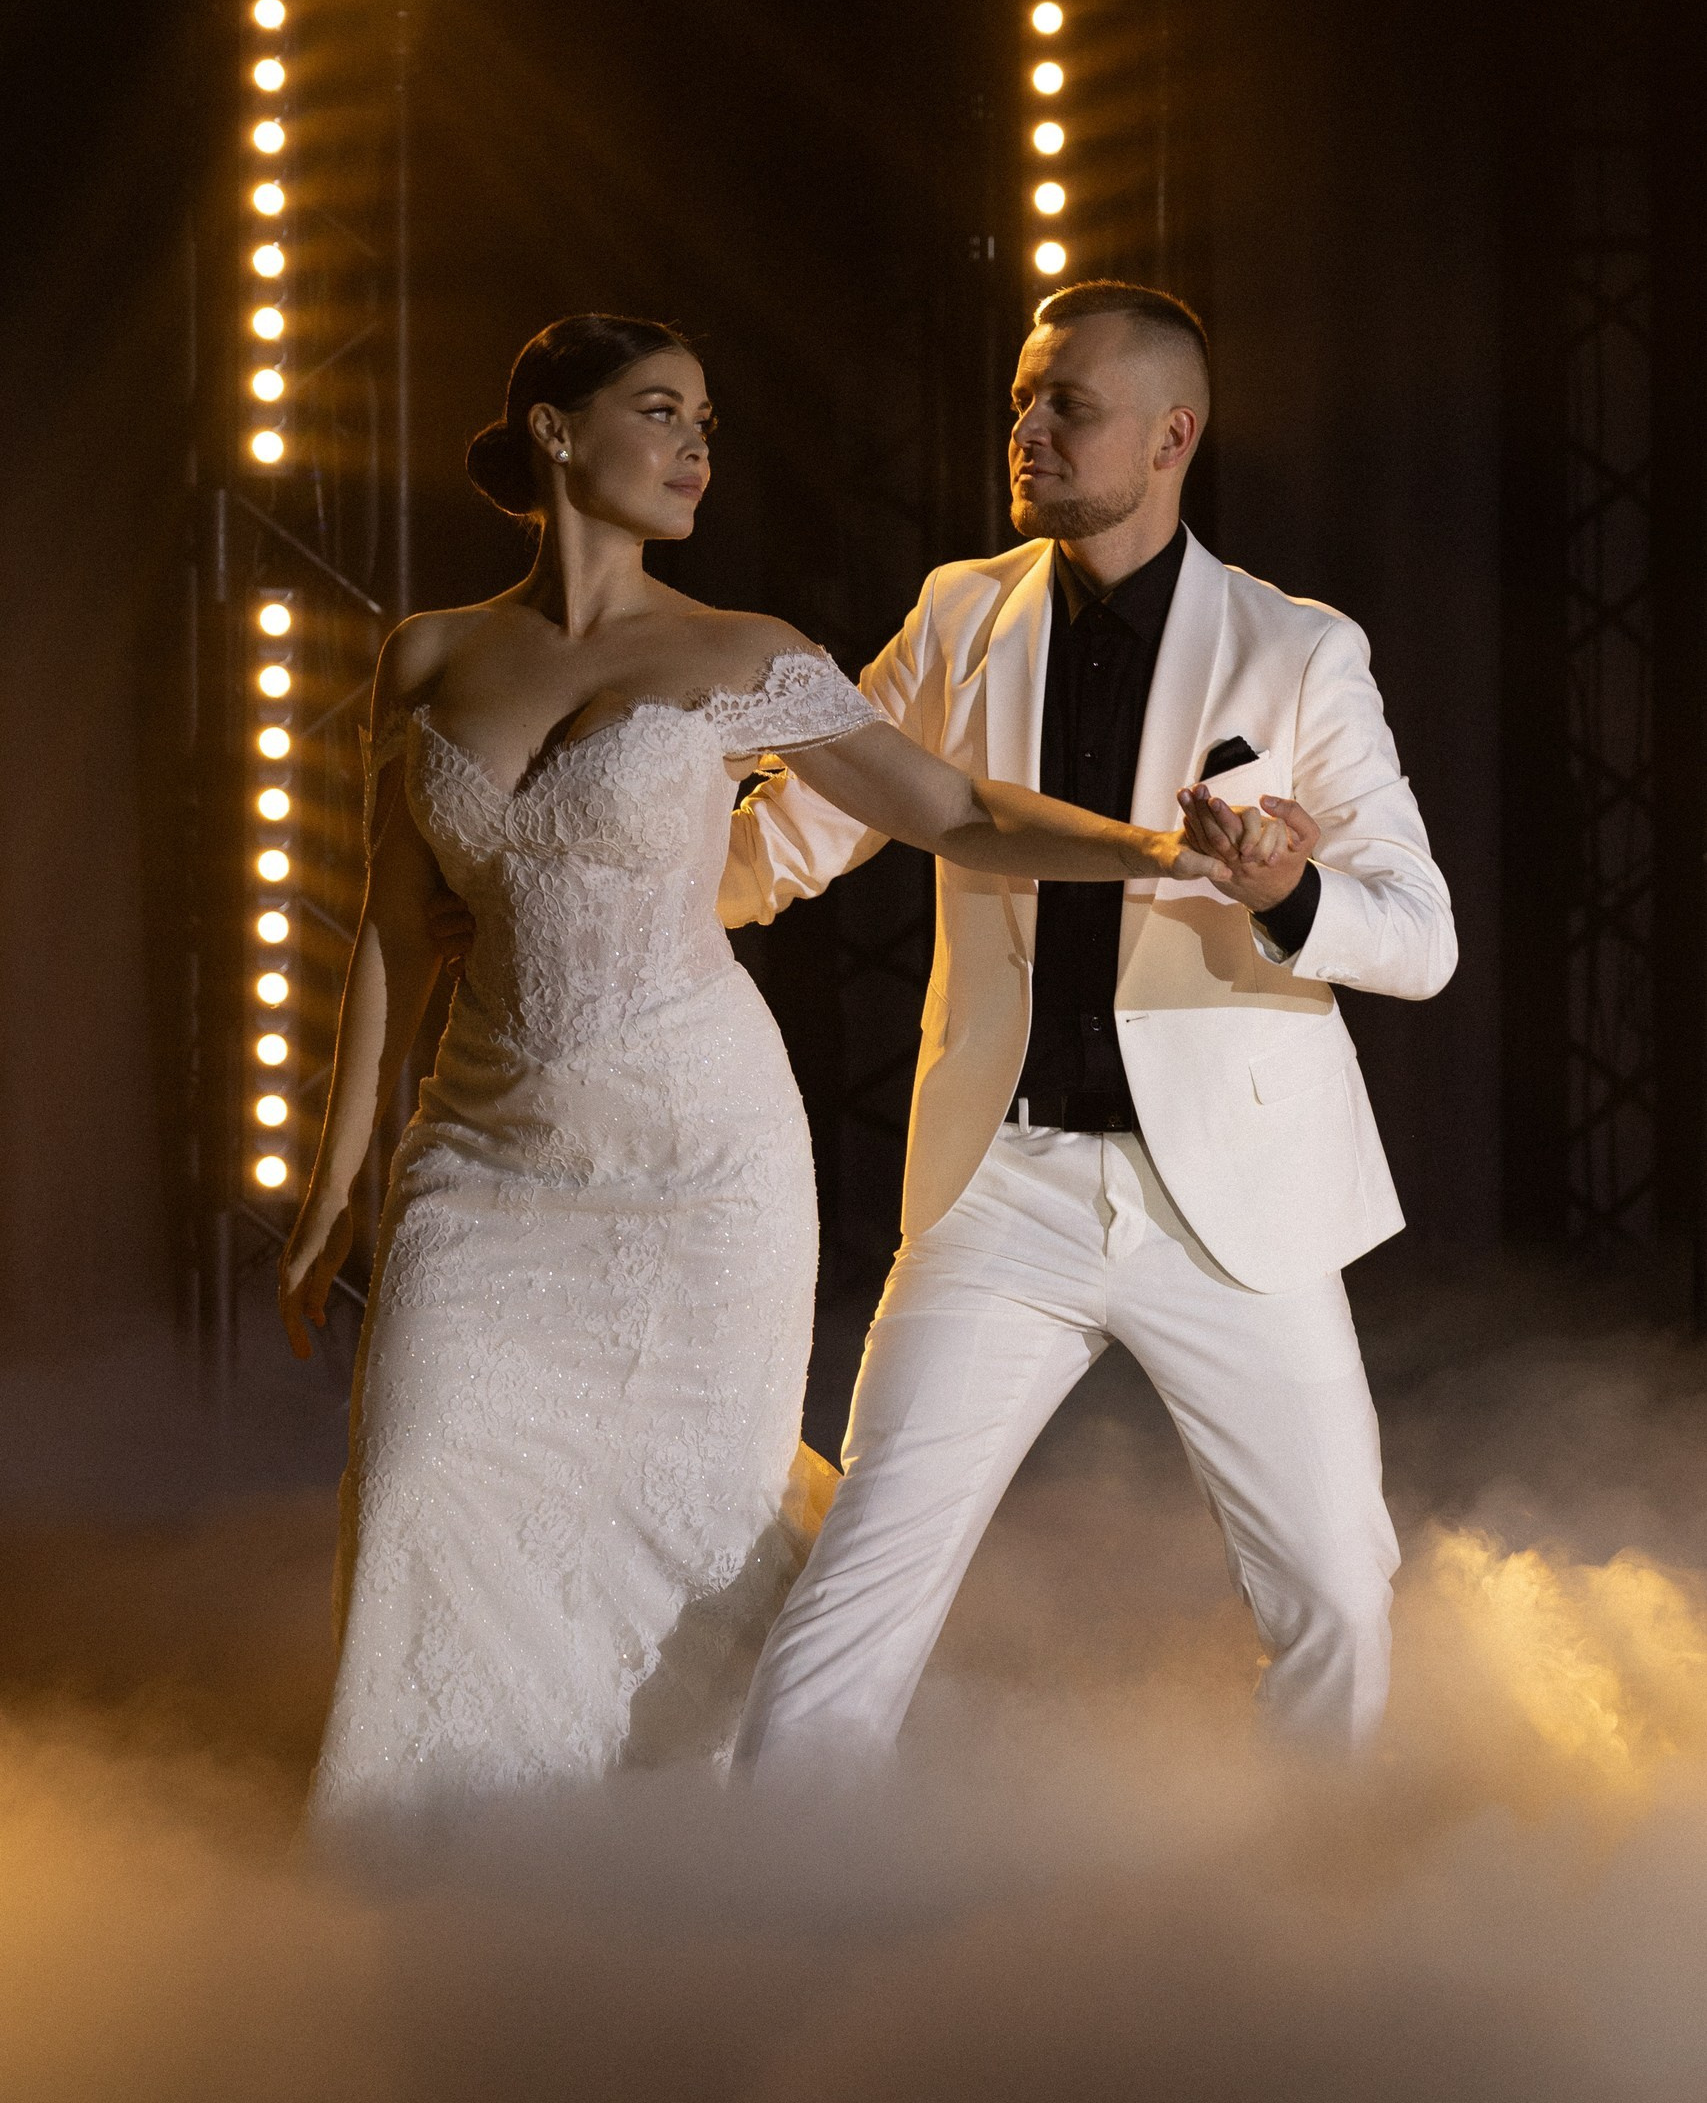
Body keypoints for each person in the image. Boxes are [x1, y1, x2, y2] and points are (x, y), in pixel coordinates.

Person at [278, 310, 1226, 1830]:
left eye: (706, 424)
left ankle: (701, 1856)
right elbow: (393, 931)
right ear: (556, 433)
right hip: (480, 1159)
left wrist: (1161, 852)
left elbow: (954, 812)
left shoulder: (744, 654)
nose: (696, 450)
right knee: (422, 1476)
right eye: (661, 413)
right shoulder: (430, 654)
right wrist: (337, 1185)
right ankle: (428, 1853)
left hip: (700, 1163)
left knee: (695, 1518)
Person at [725, 281, 1456, 1769]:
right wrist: (602, 898)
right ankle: (769, 1887)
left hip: (1231, 1201)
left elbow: (1421, 938)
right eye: (1022, 400)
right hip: (1003, 1182)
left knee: (1335, 1596)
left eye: (1069, 405)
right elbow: (804, 827)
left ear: (1172, 437)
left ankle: (1323, 1890)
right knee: (860, 1583)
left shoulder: (1300, 649)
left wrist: (1289, 890)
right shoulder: (958, 614)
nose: (1028, 430)